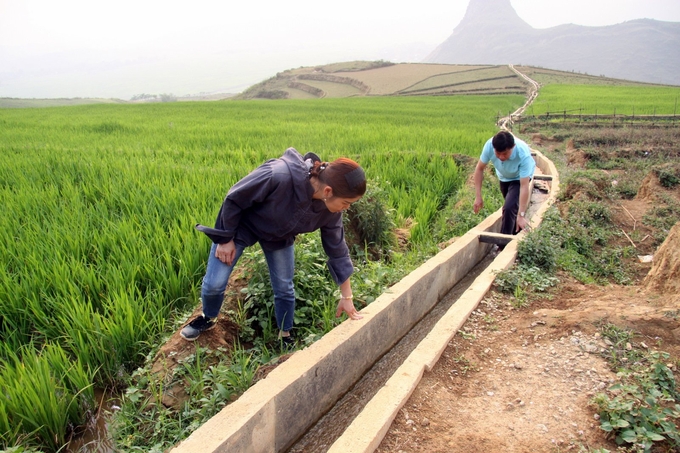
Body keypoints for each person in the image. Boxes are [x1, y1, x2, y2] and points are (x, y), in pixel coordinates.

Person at [181, 147, 366, 346]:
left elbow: (337, 249)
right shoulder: (278, 175)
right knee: (214, 284)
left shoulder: (330, 211)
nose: (346, 208)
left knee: (285, 288)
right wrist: (225, 239)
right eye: (346, 203)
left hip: (279, 237)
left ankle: (284, 335)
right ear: (328, 191)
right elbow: (235, 198)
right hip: (243, 228)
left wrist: (347, 296)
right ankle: (208, 318)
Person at [473, 130, 535, 241]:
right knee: (511, 207)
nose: (501, 157)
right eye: (498, 154)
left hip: (519, 178)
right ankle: (516, 233)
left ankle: (502, 245)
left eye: (505, 154)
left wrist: (521, 214)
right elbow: (479, 168)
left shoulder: (523, 154)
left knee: (509, 206)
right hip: (503, 177)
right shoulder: (489, 146)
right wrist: (478, 196)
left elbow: (524, 186)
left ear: (513, 147)